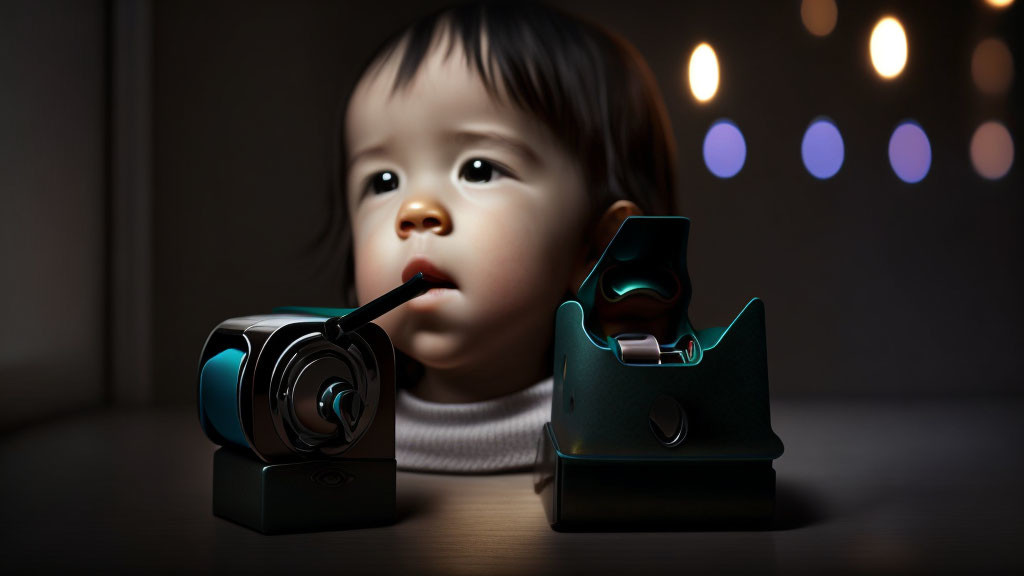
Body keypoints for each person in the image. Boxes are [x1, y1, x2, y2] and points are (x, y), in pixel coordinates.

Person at [326, 1, 678, 472]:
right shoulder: (328, 434)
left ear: (598, 248)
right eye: (382, 182)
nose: (415, 211)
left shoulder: (630, 441)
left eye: (478, 170)